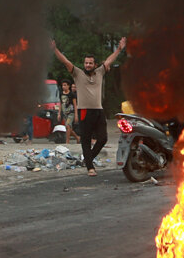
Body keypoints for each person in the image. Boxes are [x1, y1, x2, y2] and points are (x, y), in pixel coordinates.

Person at [51, 37, 127, 176]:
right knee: (85, 140)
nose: (88, 65)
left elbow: (110, 60)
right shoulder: (77, 73)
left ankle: (88, 159)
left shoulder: (100, 72)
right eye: (86, 63)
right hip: (85, 111)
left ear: (95, 64)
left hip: (98, 110)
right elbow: (65, 61)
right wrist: (55, 49)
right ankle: (90, 168)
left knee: (103, 138)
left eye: (90, 63)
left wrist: (119, 49)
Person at [58, 79, 80, 144]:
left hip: (71, 112)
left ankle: (67, 142)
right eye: (62, 85)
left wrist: (76, 115)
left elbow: (75, 105)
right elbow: (60, 104)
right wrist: (59, 113)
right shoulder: (61, 93)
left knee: (68, 125)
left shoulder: (72, 94)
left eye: (65, 85)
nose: (63, 87)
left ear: (68, 86)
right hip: (64, 113)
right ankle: (77, 137)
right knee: (68, 128)